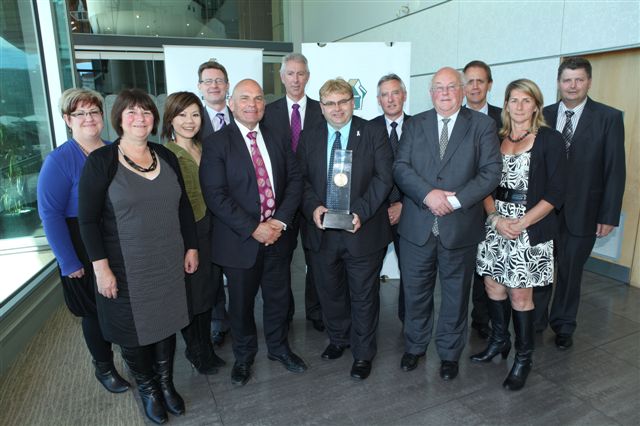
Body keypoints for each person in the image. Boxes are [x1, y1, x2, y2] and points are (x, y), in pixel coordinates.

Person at [78, 89, 198, 425]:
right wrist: (101, 268)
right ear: (118, 119)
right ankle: (147, 388)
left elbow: (184, 205)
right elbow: (86, 220)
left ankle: (165, 383)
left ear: (154, 119)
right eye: (131, 112)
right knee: (134, 331)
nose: (140, 118)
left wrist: (191, 246)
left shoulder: (166, 155)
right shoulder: (101, 162)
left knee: (167, 322)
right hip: (125, 266)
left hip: (168, 260)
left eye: (146, 112)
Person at [393, 67, 501, 381]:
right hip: (417, 228)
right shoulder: (415, 125)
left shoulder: (482, 125)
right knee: (415, 293)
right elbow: (400, 167)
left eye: (451, 86)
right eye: (438, 87)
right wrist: (428, 195)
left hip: (459, 227)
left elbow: (491, 173)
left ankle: (450, 354)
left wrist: (453, 201)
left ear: (463, 90)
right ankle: (414, 347)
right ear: (430, 92)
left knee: (455, 296)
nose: (444, 92)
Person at [200, 79, 306, 386]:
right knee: (242, 305)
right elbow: (216, 195)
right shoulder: (217, 143)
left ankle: (278, 348)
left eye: (258, 98)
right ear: (231, 104)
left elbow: (295, 181)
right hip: (239, 242)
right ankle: (244, 357)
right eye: (244, 98)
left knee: (279, 299)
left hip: (277, 237)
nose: (252, 104)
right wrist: (254, 228)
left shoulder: (278, 137)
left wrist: (279, 222)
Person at [297, 78, 393, 380]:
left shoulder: (374, 133)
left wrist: (360, 213)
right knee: (330, 291)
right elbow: (300, 179)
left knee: (364, 295)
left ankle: (363, 353)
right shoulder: (309, 135)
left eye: (343, 101)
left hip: (361, 230)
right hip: (322, 230)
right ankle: (339, 338)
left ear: (353, 103)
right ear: (321, 107)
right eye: (329, 103)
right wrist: (313, 207)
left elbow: (384, 178)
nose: (337, 108)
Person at [474, 79, 567, 391]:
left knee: (520, 294)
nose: (519, 106)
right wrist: (494, 217)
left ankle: (523, 357)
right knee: (493, 285)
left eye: (526, 100)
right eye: (514, 100)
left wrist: (521, 222)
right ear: (506, 104)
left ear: (536, 105)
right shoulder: (495, 137)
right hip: (496, 224)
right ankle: (499, 341)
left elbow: (556, 192)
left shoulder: (549, 140)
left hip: (530, 226)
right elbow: (484, 183)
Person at [37, 88, 130, 395]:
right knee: (93, 309)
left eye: (94, 112)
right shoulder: (59, 161)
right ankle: (103, 366)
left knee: (117, 299)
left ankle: (126, 353)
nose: (89, 119)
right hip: (79, 242)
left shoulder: (116, 150)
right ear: (67, 120)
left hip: (115, 236)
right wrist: (69, 262)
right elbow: (50, 215)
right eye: (80, 114)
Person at [533, 57, 626, 349]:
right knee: (541, 268)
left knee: (571, 272)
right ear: (559, 83)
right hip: (544, 211)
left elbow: (615, 169)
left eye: (579, 80)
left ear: (588, 82)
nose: (572, 86)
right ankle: (535, 321)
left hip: (583, 212)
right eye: (566, 80)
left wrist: (609, 215)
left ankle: (563, 325)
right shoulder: (542, 115)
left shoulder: (608, 118)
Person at [162, 91, 226, 375]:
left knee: (209, 292)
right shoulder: (167, 153)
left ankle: (206, 349)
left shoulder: (205, 147)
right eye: (182, 114)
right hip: (190, 233)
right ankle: (195, 350)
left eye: (195, 114)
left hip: (213, 228)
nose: (189, 121)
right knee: (194, 297)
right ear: (170, 119)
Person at [262, 52, 326, 332]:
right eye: (291, 73)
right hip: (281, 202)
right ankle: (284, 314)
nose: (296, 79)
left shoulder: (321, 110)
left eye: (301, 73)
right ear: (282, 77)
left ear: (308, 77)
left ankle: (316, 311)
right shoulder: (267, 113)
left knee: (317, 259)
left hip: (314, 198)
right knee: (280, 262)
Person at [463, 59, 503, 339]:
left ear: (489, 85)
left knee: (491, 266)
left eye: (480, 81)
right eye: (470, 81)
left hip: (496, 206)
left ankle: (484, 320)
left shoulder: (505, 118)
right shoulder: (453, 117)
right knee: (468, 266)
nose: (475, 86)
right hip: (463, 205)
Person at [197, 60, 232, 346]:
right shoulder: (192, 122)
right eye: (208, 81)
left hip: (241, 211)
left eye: (219, 80)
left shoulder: (245, 115)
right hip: (208, 212)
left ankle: (243, 316)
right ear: (200, 87)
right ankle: (219, 321)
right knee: (213, 271)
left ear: (227, 84)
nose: (214, 85)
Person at [372, 73, 411, 324]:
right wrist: (380, 206)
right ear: (378, 100)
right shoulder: (368, 128)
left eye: (395, 92)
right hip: (375, 214)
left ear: (404, 95)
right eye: (385, 94)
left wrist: (404, 205)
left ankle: (408, 323)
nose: (391, 99)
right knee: (367, 273)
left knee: (410, 272)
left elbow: (428, 173)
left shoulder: (420, 126)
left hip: (409, 212)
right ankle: (367, 321)